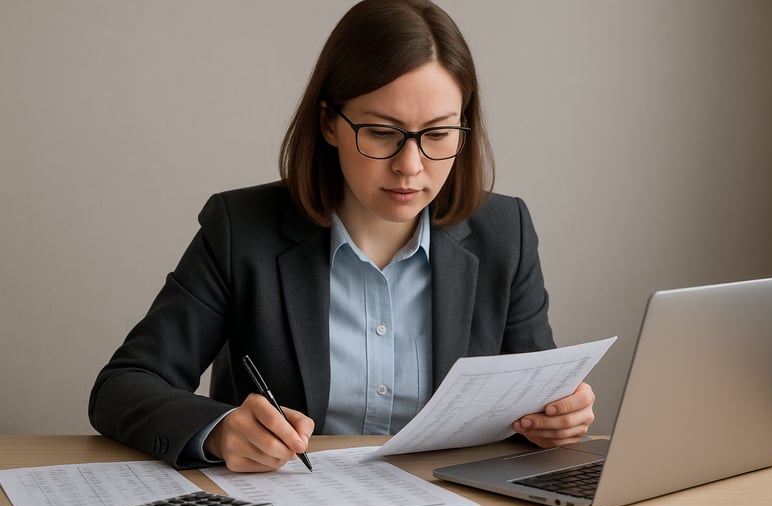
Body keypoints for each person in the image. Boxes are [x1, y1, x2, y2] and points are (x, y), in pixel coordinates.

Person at [88, 0, 595, 472]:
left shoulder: (506, 232)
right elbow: (122, 387)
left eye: (438, 135)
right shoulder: (240, 229)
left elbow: (537, 399)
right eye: (381, 132)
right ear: (330, 122)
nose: (410, 167)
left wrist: (556, 419)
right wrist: (219, 431)